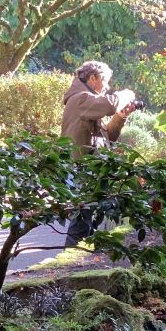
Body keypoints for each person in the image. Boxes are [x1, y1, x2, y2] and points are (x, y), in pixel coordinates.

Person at [61, 60, 137, 246]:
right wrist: (126, 95)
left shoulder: (88, 104)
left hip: (92, 169)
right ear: (93, 77)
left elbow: (107, 138)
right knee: (82, 217)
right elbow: (111, 104)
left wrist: (120, 117)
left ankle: (78, 261)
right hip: (81, 168)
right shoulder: (81, 98)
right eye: (106, 80)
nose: (108, 86)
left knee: (90, 218)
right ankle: (68, 265)